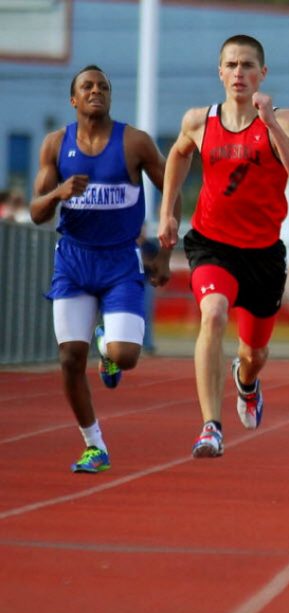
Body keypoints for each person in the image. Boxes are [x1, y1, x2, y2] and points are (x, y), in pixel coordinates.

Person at [158, 34, 289, 458]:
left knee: (255, 351)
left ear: (263, 74)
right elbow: (177, 154)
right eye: (232, 65)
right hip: (212, 245)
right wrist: (168, 211)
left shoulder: (285, 120)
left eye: (248, 65)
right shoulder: (198, 121)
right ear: (220, 72)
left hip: (263, 253)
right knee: (213, 314)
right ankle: (211, 426)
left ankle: (246, 382)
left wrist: (272, 125)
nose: (239, 73)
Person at [28, 65, 173, 473]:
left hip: (120, 261)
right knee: (70, 359)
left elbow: (172, 187)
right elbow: (37, 212)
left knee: (125, 356)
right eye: (87, 87)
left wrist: (163, 251)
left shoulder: (135, 143)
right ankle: (95, 445)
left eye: (104, 87)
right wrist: (59, 191)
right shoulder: (56, 146)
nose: (96, 91)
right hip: (73, 260)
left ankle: (107, 346)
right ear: (73, 100)